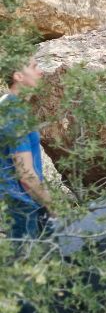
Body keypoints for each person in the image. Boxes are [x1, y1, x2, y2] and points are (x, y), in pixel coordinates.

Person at [1, 55, 51, 238]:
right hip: (23, 206)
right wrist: (55, 207)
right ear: (18, 76)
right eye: (34, 66)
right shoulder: (15, 114)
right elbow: (26, 176)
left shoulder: (7, 105)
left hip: (16, 204)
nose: (40, 71)